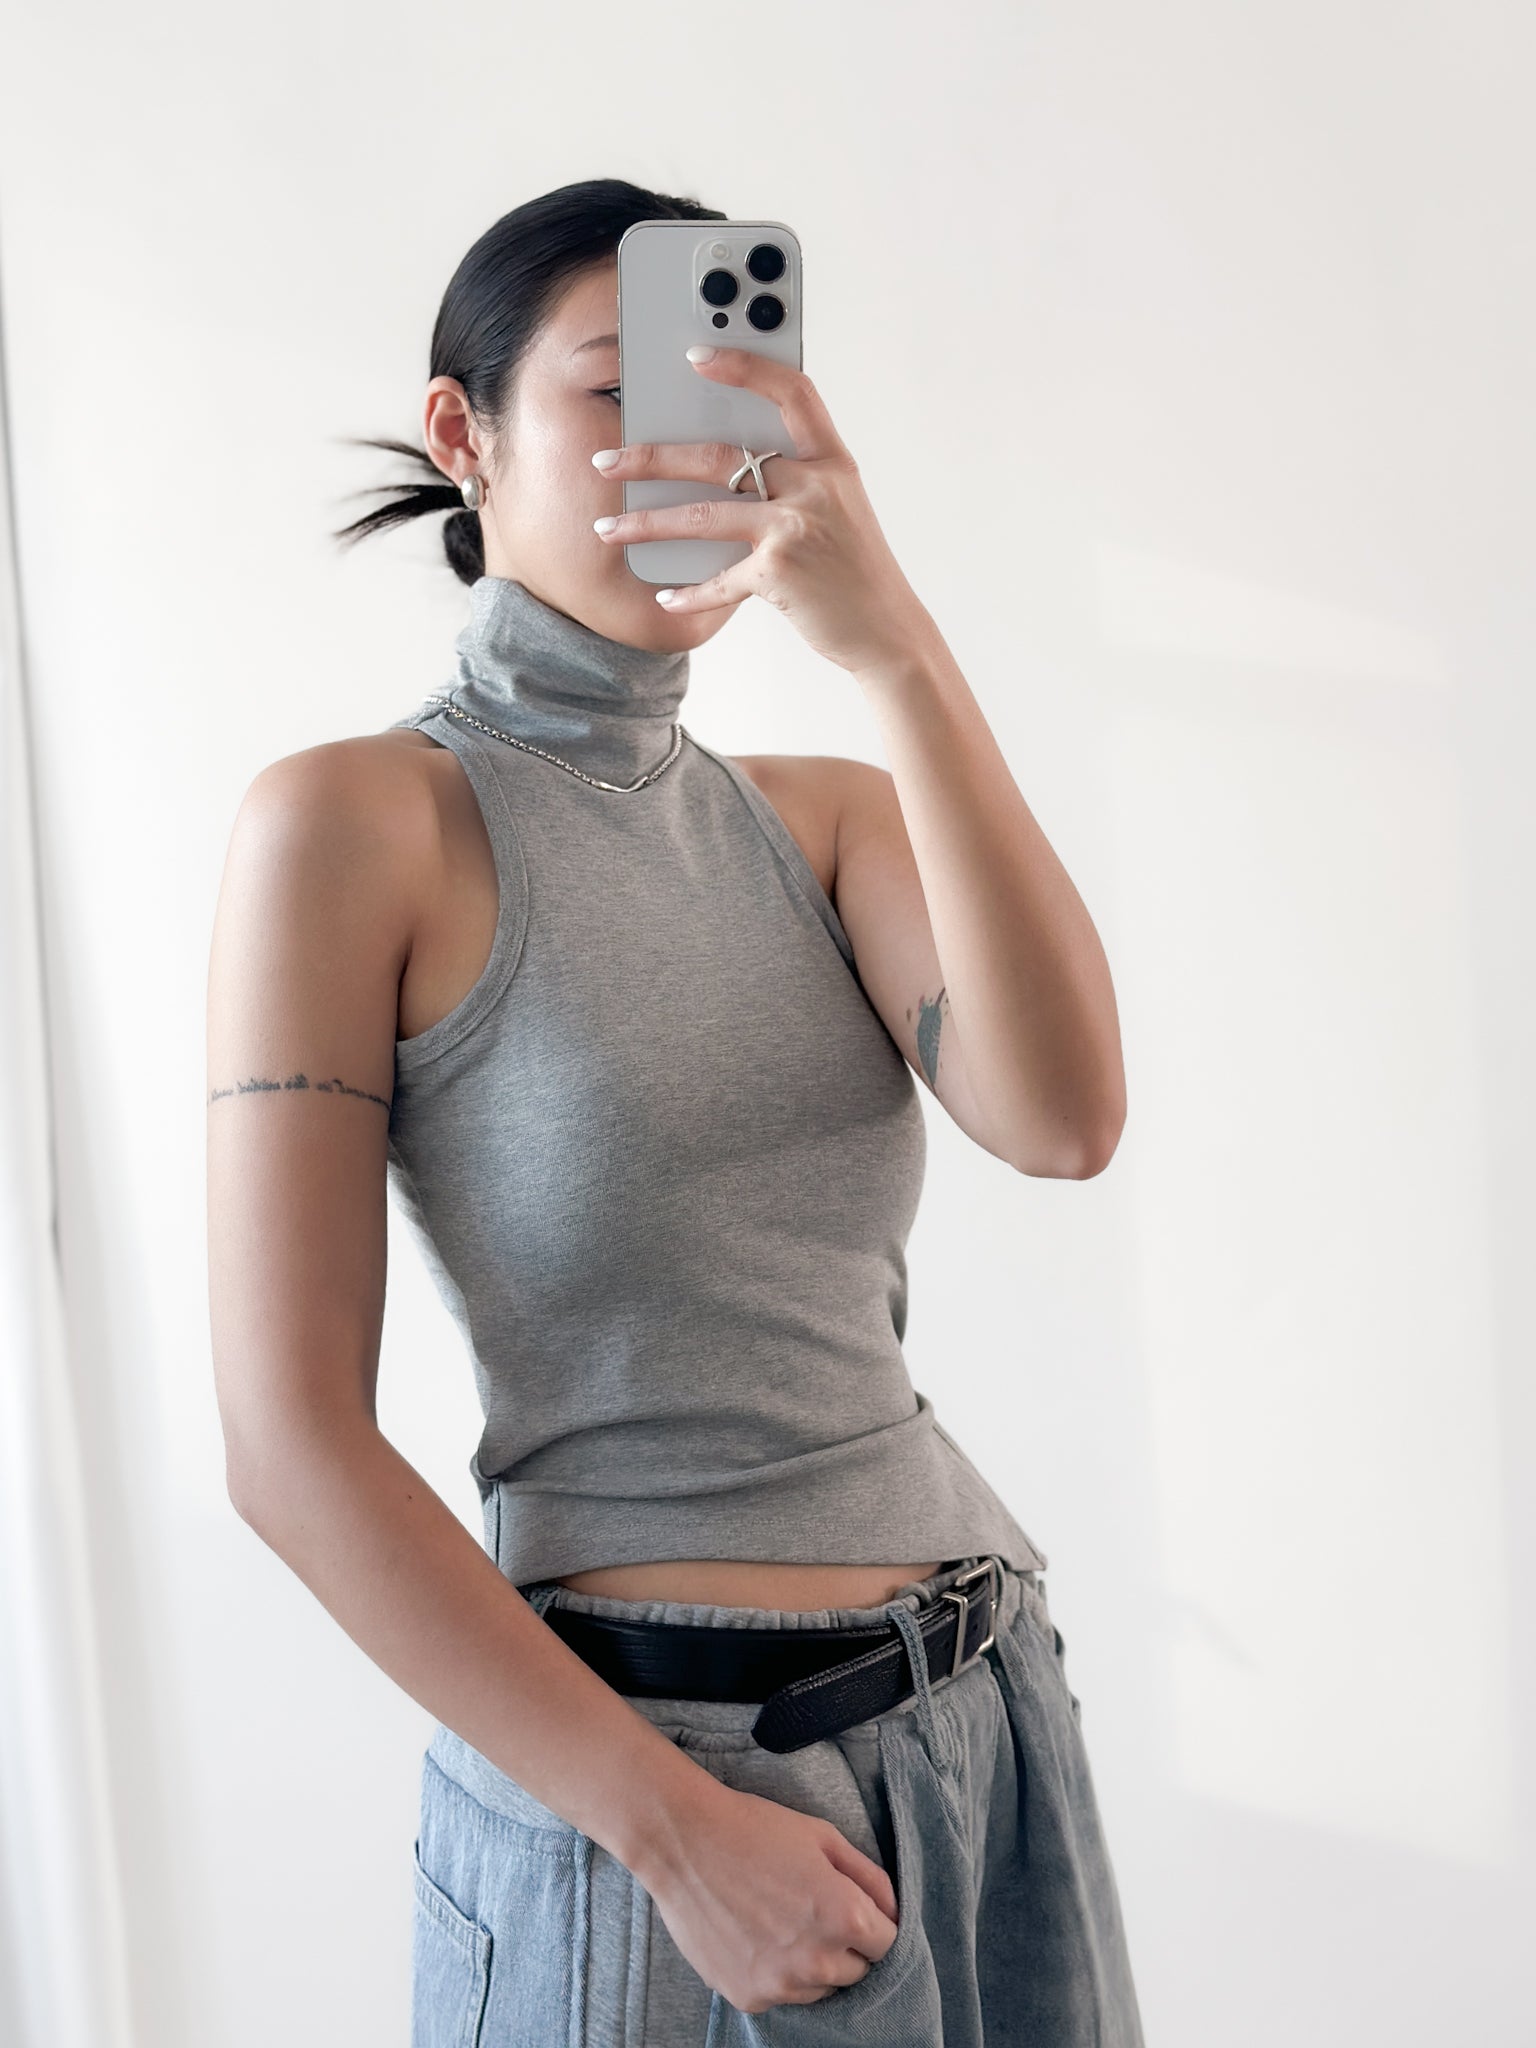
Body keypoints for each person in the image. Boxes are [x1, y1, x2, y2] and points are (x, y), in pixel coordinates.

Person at [206, 176, 1144, 2046]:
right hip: (662, 1794)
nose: (683, 448)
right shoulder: (355, 827)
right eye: (614, 389)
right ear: (463, 433)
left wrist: (895, 645)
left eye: (722, 395)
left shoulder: (829, 819)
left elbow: (1062, 1120)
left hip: (984, 1727)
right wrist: (673, 1834)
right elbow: (287, 1445)